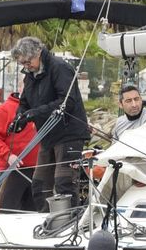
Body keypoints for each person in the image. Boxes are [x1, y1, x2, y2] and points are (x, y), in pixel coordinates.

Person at [10, 36, 89, 207]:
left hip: (69, 134)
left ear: (38, 53)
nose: (26, 66)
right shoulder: (30, 75)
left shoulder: (60, 68)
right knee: (39, 184)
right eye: (22, 63)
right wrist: (20, 118)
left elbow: (67, 102)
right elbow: (24, 103)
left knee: (64, 183)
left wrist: (34, 114)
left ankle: (70, 222)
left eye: (27, 61)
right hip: (47, 136)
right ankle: (45, 220)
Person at [0, 82, 40, 211]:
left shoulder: (41, 110)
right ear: (20, 88)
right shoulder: (5, 109)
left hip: (39, 170)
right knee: (6, 211)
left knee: (37, 212)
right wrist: (7, 155)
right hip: (13, 169)